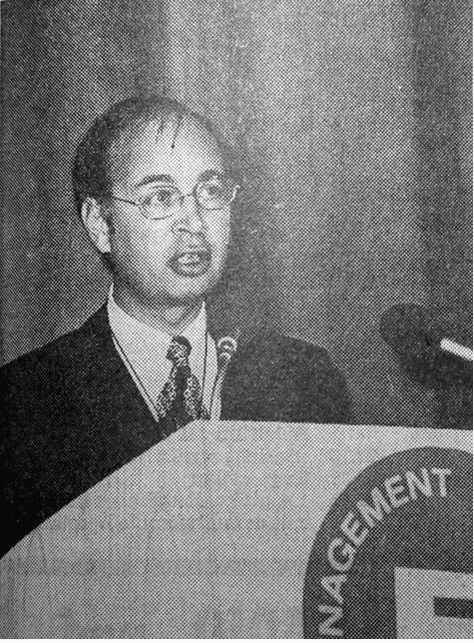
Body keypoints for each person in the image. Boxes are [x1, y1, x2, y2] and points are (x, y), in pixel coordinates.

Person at [1, 96, 352, 557]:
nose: (194, 224)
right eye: (161, 198)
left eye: (211, 191)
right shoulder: (24, 405)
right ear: (100, 224)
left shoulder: (302, 378)